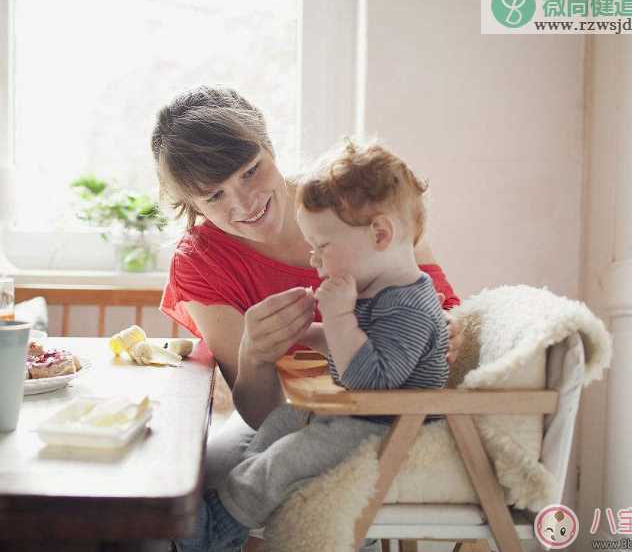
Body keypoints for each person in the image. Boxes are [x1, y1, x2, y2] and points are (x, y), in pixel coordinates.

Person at [151, 85, 462, 486]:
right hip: (293, 416)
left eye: (250, 171)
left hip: (392, 411)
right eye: (215, 196)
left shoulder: (355, 201)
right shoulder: (200, 262)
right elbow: (262, 416)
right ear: (194, 207)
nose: (245, 203)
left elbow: (447, 307)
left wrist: (448, 326)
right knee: (199, 481)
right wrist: (256, 357)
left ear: (269, 146)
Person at [173, 138, 449, 550]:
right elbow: (362, 353)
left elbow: (370, 380)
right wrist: (305, 335)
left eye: (322, 248)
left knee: (287, 459)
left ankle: (221, 523)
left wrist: (336, 318)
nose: (315, 260)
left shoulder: (407, 305)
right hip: (360, 417)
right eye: (214, 195)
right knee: (281, 424)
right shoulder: (381, 289)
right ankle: (238, 504)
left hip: (389, 427)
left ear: (380, 233)